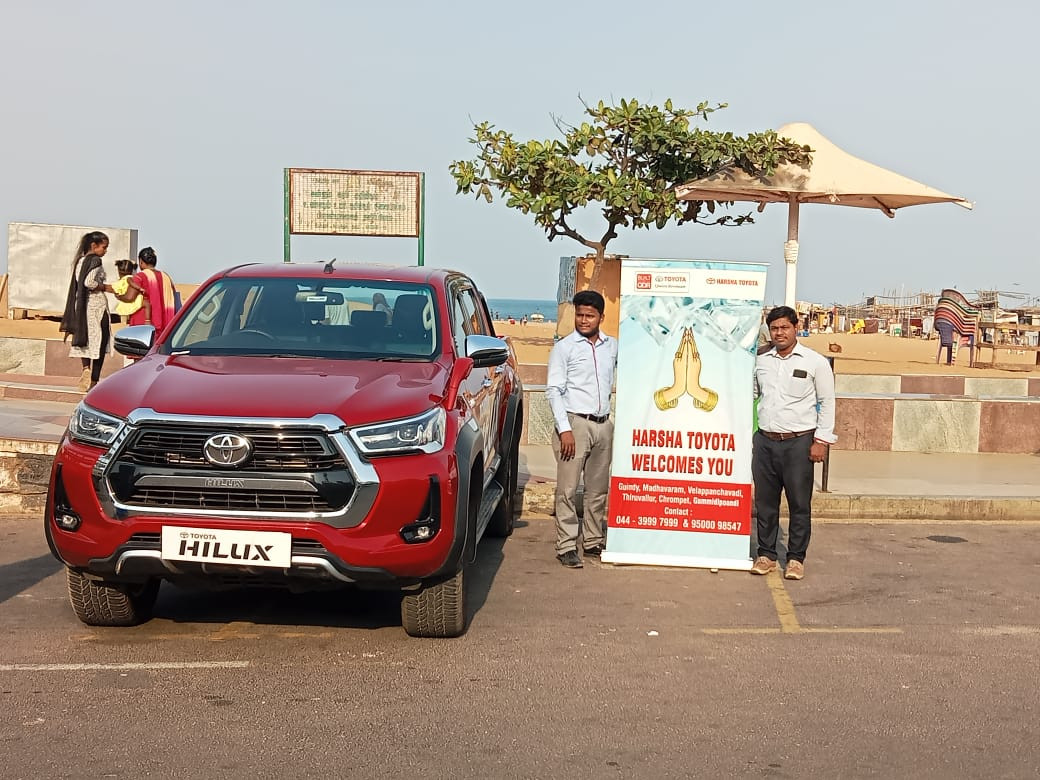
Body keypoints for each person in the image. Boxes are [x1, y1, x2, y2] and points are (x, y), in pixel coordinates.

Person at [751, 305, 836, 580]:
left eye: (784, 327)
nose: (779, 333)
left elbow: (827, 402)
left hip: (799, 442)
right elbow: (752, 393)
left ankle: (796, 558)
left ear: (795, 328)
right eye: (774, 328)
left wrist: (821, 440)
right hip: (765, 441)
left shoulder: (815, 362)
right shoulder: (761, 361)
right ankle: (766, 554)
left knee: (799, 503)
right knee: (765, 503)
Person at [545, 290, 618, 568]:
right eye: (580, 315)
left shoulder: (612, 347)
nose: (584, 320)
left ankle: (592, 541)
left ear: (601, 317)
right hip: (574, 424)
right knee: (567, 489)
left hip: (603, 425)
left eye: (590, 315)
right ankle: (566, 546)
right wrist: (564, 429)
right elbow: (554, 390)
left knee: (597, 490)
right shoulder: (564, 348)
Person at [59, 231, 115, 392]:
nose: (105, 251)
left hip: (82, 307)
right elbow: (89, 282)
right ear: (94, 246)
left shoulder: (80, 261)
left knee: (86, 338)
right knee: (101, 341)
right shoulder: (95, 260)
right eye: (104, 247)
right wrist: (105, 287)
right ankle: (94, 380)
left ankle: (85, 369)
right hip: (97, 306)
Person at [121, 247, 176, 331]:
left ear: (141, 261)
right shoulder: (166, 277)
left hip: (143, 326)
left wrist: (119, 296)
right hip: (166, 326)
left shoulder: (140, 277)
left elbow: (129, 297)